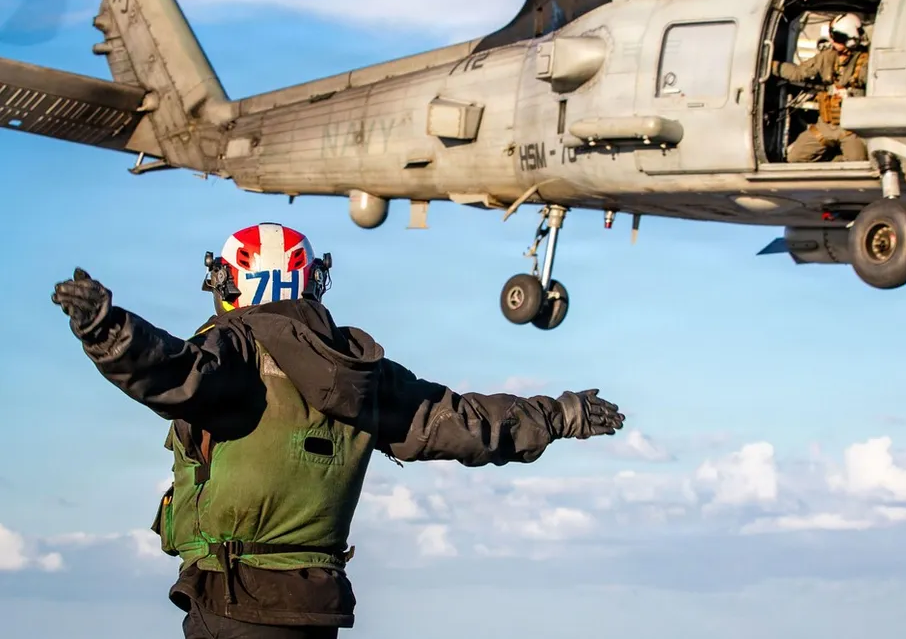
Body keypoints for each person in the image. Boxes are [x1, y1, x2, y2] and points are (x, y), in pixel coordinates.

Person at [50, 222, 625, 638]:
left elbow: (175, 373)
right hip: (315, 604)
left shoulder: (236, 349)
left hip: (232, 599)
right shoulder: (362, 371)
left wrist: (109, 332)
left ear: (230, 284)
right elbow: (466, 423)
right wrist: (560, 414)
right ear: (310, 280)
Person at [770, 12, 869, 163]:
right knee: (795, 158)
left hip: (852, 129)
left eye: (837, 37)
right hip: (825, 126)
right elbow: (799, 73)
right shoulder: (827, 57)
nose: (832, 41)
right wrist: (772, 66)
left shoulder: (866, 63)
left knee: (858, 163)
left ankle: (836, 162)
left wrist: (853, 96)